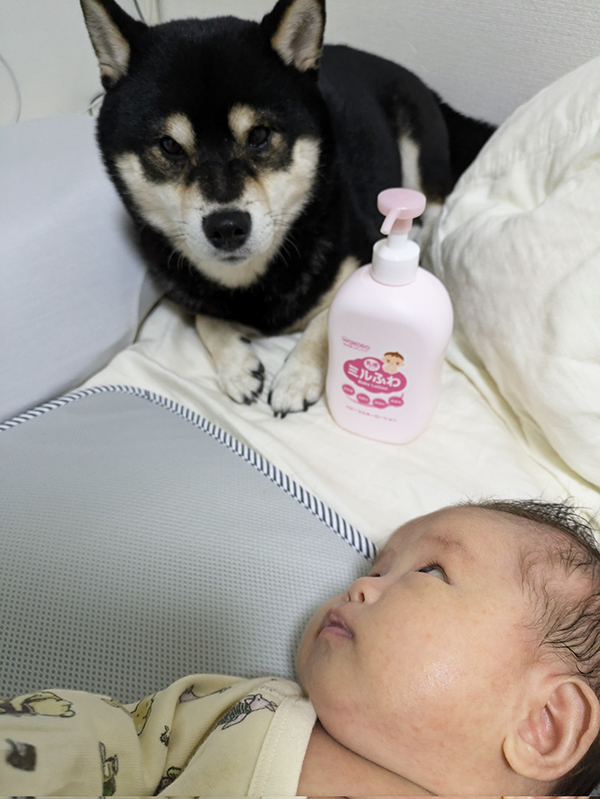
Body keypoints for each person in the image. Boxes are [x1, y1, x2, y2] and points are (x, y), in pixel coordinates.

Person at [2, 500, 599, 796]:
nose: (361, 586)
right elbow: (96, 746)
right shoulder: (246, 713)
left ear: (546, 723)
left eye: (433, 572)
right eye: (375, 567)